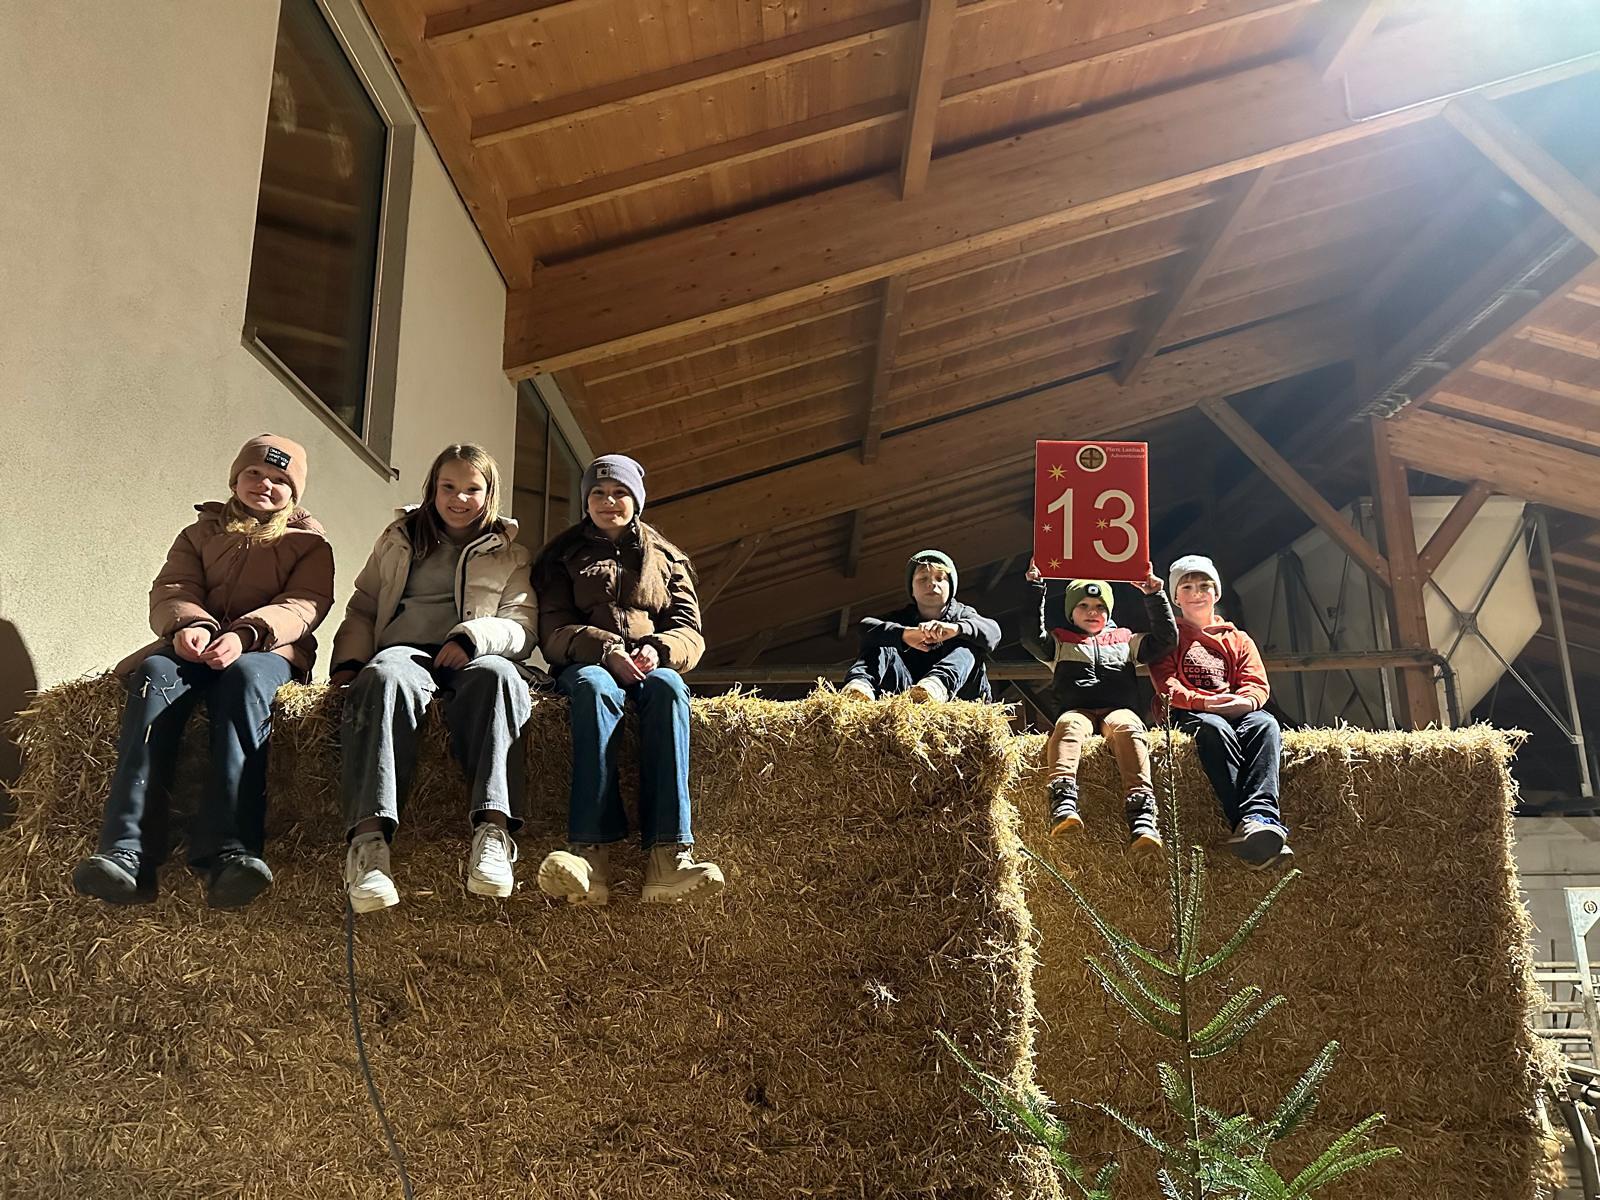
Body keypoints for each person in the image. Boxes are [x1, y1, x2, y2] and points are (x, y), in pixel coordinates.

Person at [72, 435, 334, 909]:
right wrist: (189, 625)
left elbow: (305, 605)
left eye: (280, 480)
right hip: (198, 641)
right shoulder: (199, 534)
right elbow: (174, 585)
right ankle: (126, 850)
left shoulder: (309, 544)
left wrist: (247, 634)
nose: (265, 485)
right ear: (235, 479)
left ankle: (230, 850)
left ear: (294, 494)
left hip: (266, 649)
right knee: (154, 673)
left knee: (245, 682)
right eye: (255, 473)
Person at [332, 444, 537, 913]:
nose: (459, 499)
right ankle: (369, 847)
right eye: (449, 487)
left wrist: (471, 639)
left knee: (501, 678)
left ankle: (493, 834)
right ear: (432, 488)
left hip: (475, 653)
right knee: (382, 677)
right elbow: (363, 607)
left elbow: (522, 626)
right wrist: (348, 664)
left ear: (489, 494)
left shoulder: (511, 553)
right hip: (404, 650)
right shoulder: (398, 539)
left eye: (472, 489)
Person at [531, 453, 723, 906]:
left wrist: (658, 650)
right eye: (598, 493)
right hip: (587, 664)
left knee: (670, 688)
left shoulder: (668, 558)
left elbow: (689, 631)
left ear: (636, 499)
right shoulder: (560, 555)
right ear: (585, 500)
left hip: (649, 665)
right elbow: (553, 632)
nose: (608, 501)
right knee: (595, 688)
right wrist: (607, 650)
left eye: (619, 493)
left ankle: (669, 856)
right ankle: (589, 856)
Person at [1149, 554, 1293, 869]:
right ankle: (1248, 824)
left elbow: (1256, 683)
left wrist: (1246, 702)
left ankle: (1261, 817)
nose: (1197, 593)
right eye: (1187, 587)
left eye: (1205, 586)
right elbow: (1167, 685)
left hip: (1234, 706)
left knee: (1266, 724)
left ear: (1216, 592)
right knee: (1214, 729)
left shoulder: (1238, 638)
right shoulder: (1168, 637)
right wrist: (1205, 702)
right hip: (1189, 710)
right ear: (1176, 597)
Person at [1021, 565, 1177, 855]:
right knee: (1067, 726)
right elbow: (1031, 637)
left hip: (1118, 709)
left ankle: (1142, 814)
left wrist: (1155, 596)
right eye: (1083, 605)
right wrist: (1035, 589)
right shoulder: (1059, 642)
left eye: (1100, 606)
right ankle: (1063, 801)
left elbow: (1166, 640)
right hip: (1077, 710)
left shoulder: (1126, 639)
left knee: (1129, 728)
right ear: (1070, 612)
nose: (1092, 612)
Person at [840, 550, 1001, 702]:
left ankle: (937, 685)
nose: (931, 584)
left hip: (961, 696)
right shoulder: (902, 619)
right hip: (906, 694)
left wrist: (957, 629)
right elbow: (864, 627)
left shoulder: (962, 614)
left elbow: (993, 632)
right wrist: (903, 635)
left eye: (940, 578)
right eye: (923, 579)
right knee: (883, 639)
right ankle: (860, 686)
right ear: (912, 589)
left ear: (951, 587)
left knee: (968, 644)